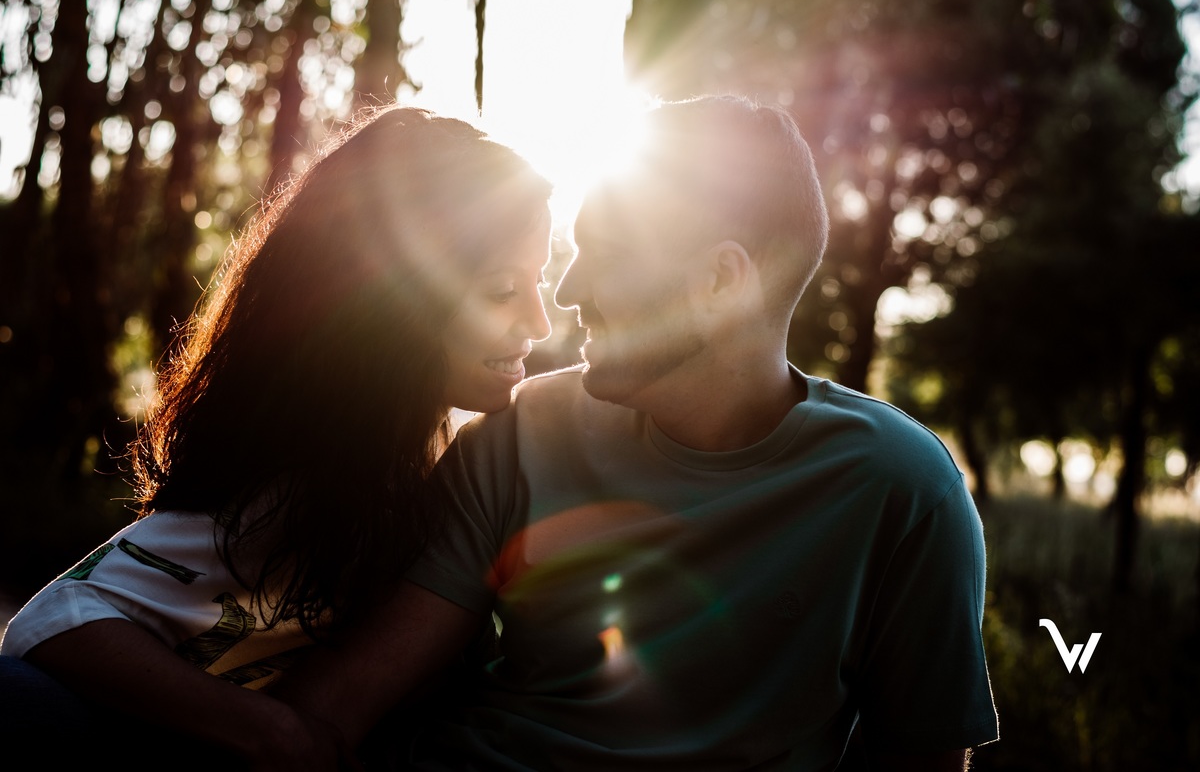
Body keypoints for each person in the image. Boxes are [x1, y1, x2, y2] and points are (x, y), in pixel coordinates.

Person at [277, 95, 999, 771]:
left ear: (720, 282)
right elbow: (338, 709)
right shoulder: (519, 435)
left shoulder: (904, 493)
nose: (566, 291)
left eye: (609, 251)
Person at [0, 105, 554, 767]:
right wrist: (276, 734)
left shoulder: (462, 466)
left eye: (540, 282)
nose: (541, 323)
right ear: (397, 307)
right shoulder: (298, 495)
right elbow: (52, 618)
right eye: (503, 290)